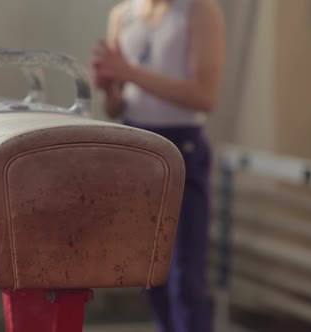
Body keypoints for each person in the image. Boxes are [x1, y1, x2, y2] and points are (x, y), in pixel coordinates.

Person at [92, 0, 226, 331]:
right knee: (150, 276)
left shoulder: (199, 10)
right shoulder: (122, 16)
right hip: (135, 148)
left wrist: (129, 73)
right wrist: (110, 88)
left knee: (184, 277)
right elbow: (116, 106)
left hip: (181, 147)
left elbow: (205, 95)